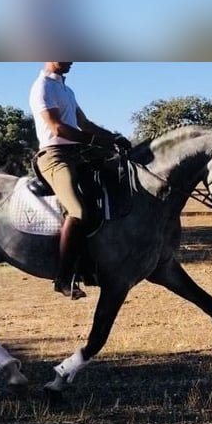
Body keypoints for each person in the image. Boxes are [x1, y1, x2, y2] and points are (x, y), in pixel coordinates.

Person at [29, 62, 132, 299]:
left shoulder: (67, 90)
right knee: (78, 210)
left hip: (77, 154)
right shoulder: (42, 87)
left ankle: (95, 264)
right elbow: (58, 128)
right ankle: (63, 278)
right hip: (54, 157)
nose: (72, 60)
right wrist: (99, 142)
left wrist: (113, 138)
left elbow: (84, 124)